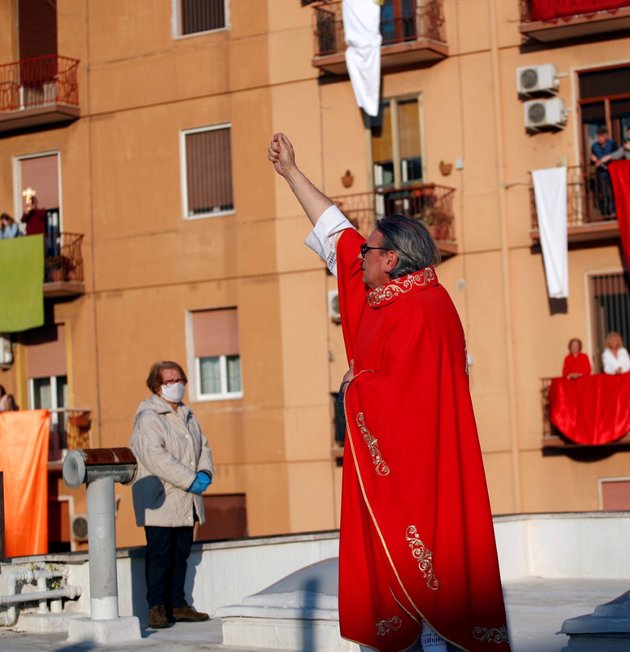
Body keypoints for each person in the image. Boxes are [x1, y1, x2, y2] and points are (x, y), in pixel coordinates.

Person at [269, 133, 509, 652]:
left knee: (430, 587)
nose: (360, 259)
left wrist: (358, 389)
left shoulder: (426, 309)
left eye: (370, 252)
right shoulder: (382, 295)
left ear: (393, 260)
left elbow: (410, 397)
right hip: (387, 468)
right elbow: (337, 233)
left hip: (423, 473)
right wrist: (291, 172)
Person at [129, 361, 214, 629]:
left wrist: (206, 473)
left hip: (186, 501)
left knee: (181, 554)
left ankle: (178, 604)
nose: (176, 385)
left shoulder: (189, 415)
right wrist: (190, 480)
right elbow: (156, 458)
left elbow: (204, 447)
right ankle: (157, 608)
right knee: (160, 555)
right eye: (169, 381)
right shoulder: (149, 418)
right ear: (157, 386)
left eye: (179, 380)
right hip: (161, 499)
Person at [589, 127, 617, 217]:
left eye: (601, 136)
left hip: (612, 171)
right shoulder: (594, 146)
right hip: (601, 172)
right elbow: (593, 160)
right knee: (604, 192)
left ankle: (614, 211)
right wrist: (593, 160)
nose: (599, 139)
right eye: (598, 137)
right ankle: (606, 212)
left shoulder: (612, 144)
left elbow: (616, 156)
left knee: (612, 191)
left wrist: (606, 159)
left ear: (606, 136)